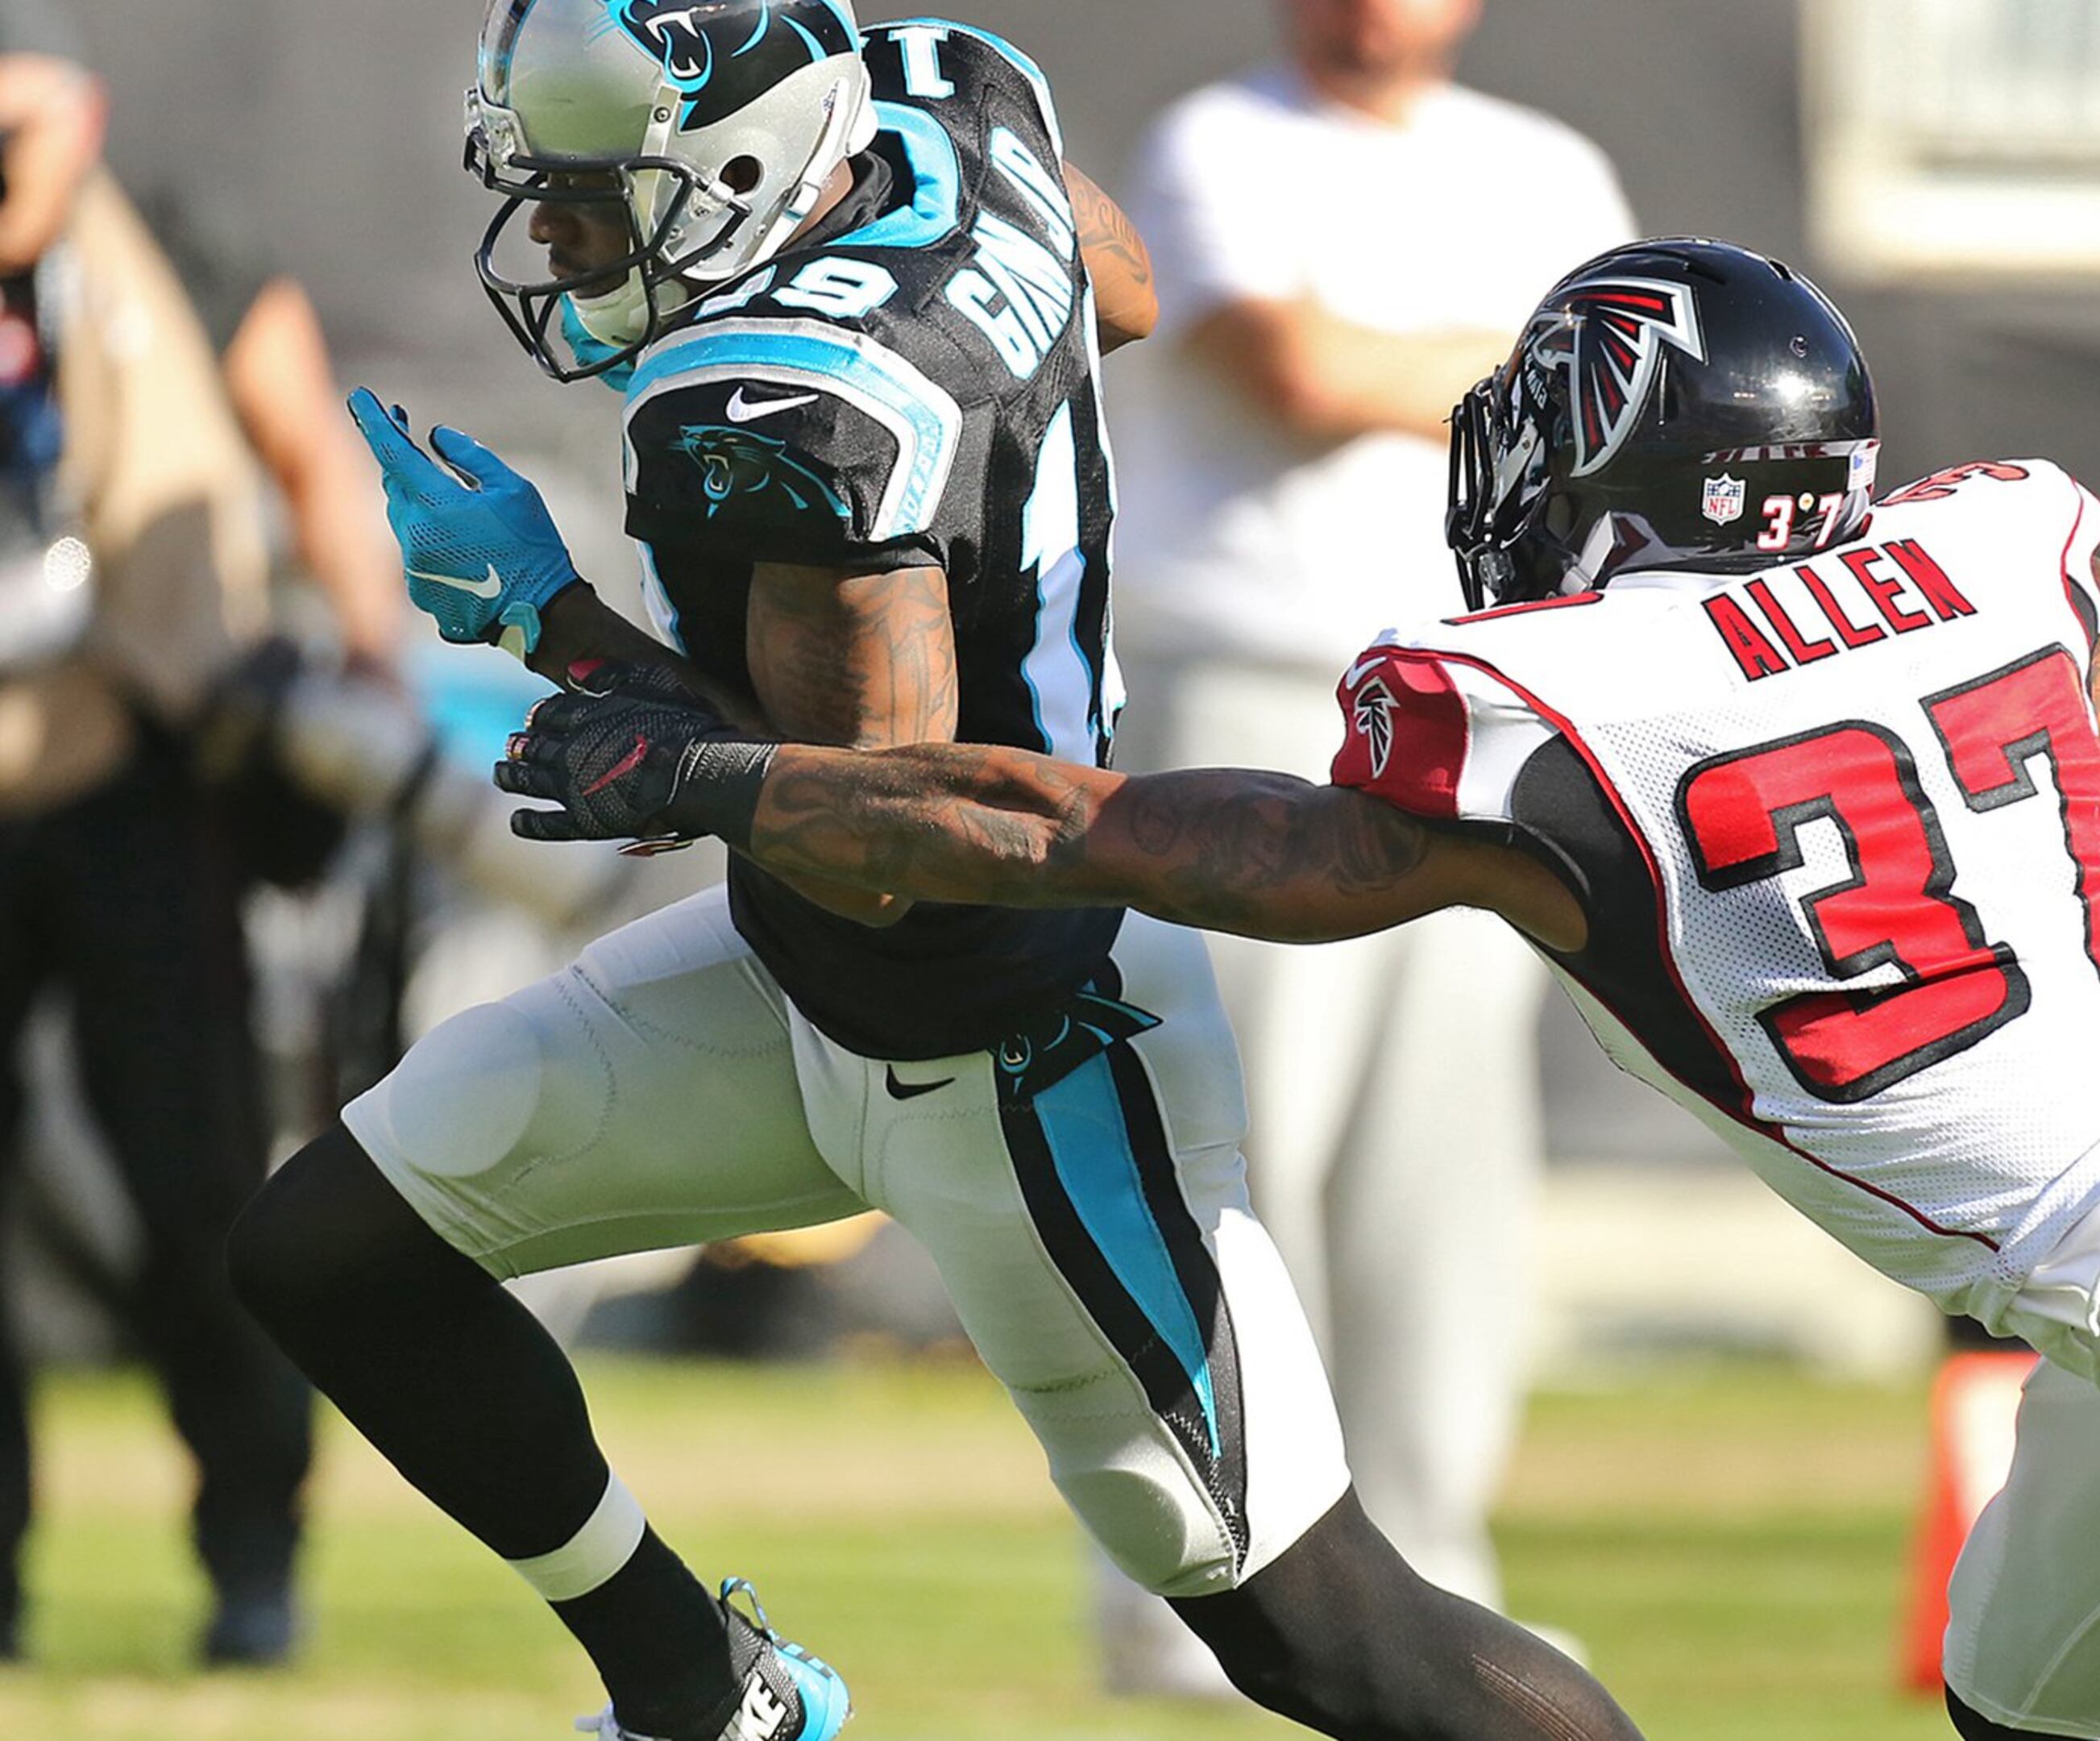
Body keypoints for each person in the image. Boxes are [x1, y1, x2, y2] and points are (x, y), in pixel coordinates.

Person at [508, 235, 2100, 1741]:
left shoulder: (1530, 726)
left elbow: (1043, 828)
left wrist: (705, 773)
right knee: (2017, 1698)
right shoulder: (1987, 544)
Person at [221, 6, 1647, 1741]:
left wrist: (555, 625)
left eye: (596, 197)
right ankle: (701, 1690)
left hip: (1014, 1044)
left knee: (1328, 1632)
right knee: (333, 1250)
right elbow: (1109, 296)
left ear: (732, 167)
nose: (561, 239)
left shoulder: (777, 405)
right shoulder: (949, 98)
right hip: (802, 989)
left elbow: (878, 836)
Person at [1101, 0, 1633, 1668]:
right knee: (1228, 1149)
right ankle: (1196, 1594)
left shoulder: (1552, 166)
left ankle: (1432, 1572)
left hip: (1489, 724)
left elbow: (1632, 421)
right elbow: (1299, 369)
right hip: (1261, 705)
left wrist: (1414, 366)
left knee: (1443, 1178)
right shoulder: (1216, 143)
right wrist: (1518, 373)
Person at [0, 47, 370, 1667]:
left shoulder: (166, 239)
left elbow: (305, 451)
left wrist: (363, 659)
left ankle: (251, 1556)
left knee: (199, 1185)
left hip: (147, 773)